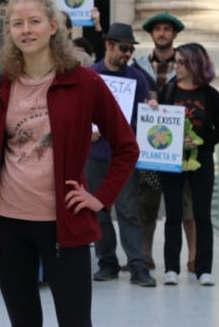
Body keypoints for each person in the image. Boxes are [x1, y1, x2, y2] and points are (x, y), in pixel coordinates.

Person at [0, 0, 139, 326]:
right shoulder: (0, 85)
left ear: (53, 26)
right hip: (9, 225)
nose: (26, 30)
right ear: (8, 31)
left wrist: (100, 198)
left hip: (64, 225)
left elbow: (127, 146)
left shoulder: (85, 83)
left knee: (75, 321)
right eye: (17, 23)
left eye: (34, 21)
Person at [85, 23, 156, 287]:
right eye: (124, 48)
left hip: (122, 157)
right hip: (94, 155)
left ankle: (138, 265)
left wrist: (152, 109)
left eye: (130, 49)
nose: (127, 54)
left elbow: (140, 117)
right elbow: (79, 113)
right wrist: (86, 131)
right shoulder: (90, 75)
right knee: (99, 212)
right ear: (109, 45)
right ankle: (107, 263)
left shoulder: (137, 79)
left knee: (128, 212)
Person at [157, 42, 219, 286]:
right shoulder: (168, 91)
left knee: (202, 214)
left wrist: (199, 142)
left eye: (181, 62)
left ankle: (204, 268)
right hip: (172, 161)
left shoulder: (211, 95)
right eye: (175, 61)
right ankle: (171, 268)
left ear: (194, 64)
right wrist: (155, 109)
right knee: (173, 214)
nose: (176, 66)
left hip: (202, 161)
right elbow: (159, 124)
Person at [132, 12, 196, 272]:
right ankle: (145, 253)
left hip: (178, 148)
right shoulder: (139, 67)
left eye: (166, 29)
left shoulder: (185, 66)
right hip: (149, 146)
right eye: (157, 29)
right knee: (146, 204)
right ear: (151, 34)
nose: (161, 33)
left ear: (174, 34)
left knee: (185, 206)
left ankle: (194, 257)